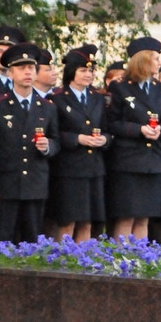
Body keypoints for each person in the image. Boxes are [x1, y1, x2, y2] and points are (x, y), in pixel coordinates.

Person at [105, 36, 161, 240]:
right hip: (129, 160)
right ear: (143, 59)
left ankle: (140, 259)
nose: (159, 63)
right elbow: (111, 122)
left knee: (144, 217)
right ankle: (120, 259)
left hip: (153, 158)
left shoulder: (159, 88)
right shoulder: (121, 87)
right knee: (127, 216)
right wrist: (138, 129)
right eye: (156, 58)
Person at [0, 42, 60, 243]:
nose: (27, 72)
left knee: (32, 240)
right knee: (4, 239)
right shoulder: (1, 106)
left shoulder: (47, 107)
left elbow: (56, 141)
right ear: (11, 74)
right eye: (21, 68)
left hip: (35, 182)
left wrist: (47, 146)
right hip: (8, 182)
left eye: (31, 68)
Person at [48, 46, 110, 243]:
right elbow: (54, 133)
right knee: (68, 220)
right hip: (70, 168)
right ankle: (63, 259)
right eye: (83, 70)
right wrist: (78, 139)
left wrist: (105, 139)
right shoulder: (57, 98)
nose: (88, 75)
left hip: (94, 167)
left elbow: (108, 128)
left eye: (91, 70)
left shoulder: (98, 98)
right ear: (71, 71)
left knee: (87, 221)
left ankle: (82, 263)